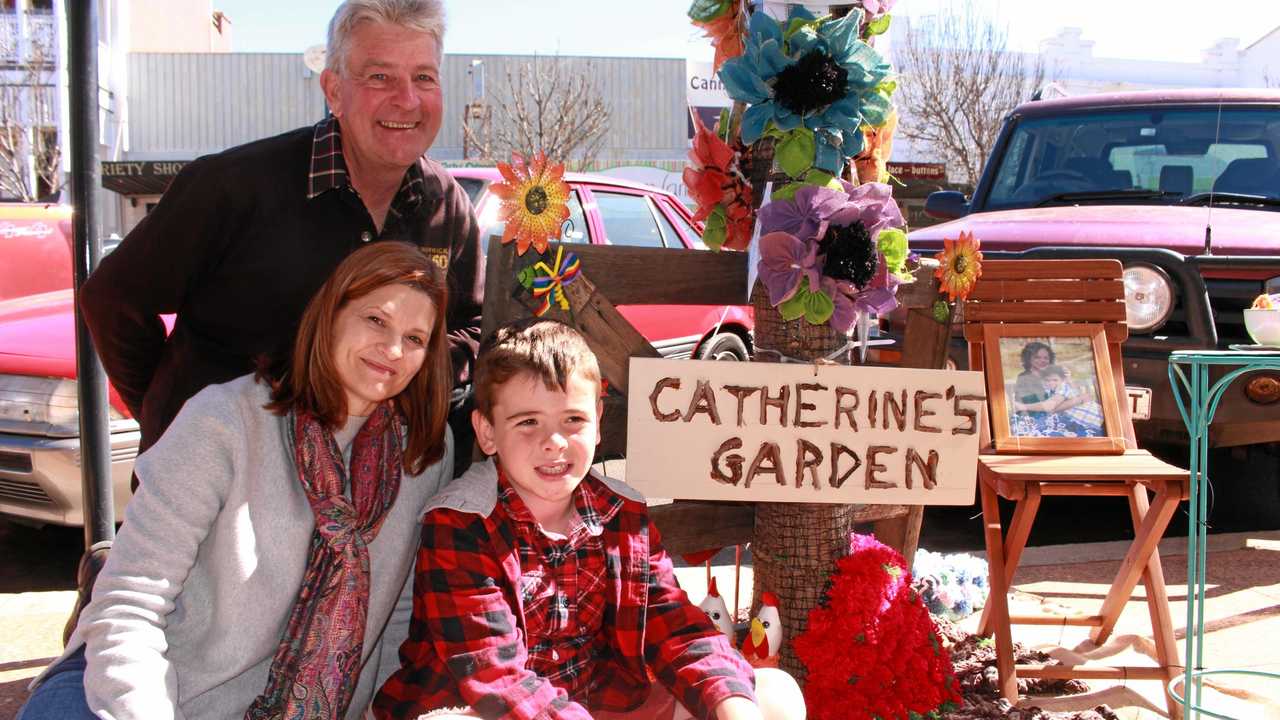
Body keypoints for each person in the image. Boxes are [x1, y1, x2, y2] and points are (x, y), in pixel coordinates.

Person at [18, 242, 455, 720]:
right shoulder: (224, 421)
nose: (392, 349)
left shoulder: (426, 456)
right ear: (330, 314)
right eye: (376, 320)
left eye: (415, 339)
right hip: (149, 685)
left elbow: (398, 615)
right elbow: (129, 603)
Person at [80, 0, 483, 476]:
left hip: (362, 499)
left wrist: (405, 394)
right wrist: (171, 413)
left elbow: (470, 329)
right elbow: (112, 300)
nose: (407, 99)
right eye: (379, 77)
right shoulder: (232, 187)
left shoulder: (446, 205)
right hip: (212, 491)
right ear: (333, 89)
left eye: (424, 77)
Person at [373, 318, 805, 720]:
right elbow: (495, 678)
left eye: (573, 420)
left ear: (597, 424)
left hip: (590, 704)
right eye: (527, 422)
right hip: (481, 707)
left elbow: (674, 625)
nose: (554, 442)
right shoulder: (460, 524)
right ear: (487, 431)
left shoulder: (623, 515)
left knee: (770, 694)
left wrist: (730, 701)